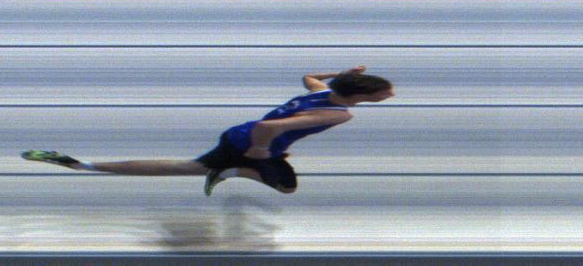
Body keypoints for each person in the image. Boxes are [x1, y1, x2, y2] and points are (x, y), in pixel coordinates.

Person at [23, 67, 394, 195]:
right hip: (250, 143)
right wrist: (261, 151)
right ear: (362, 96)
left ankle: (82, 165)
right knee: (286, 187)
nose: (389, 95)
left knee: (188, 167)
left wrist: (341, 74)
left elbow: (309, 75)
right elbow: (269, 126)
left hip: (237, 134)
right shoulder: (338, 114)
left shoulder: (322, 91)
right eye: (383, 92)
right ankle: (230, 172)